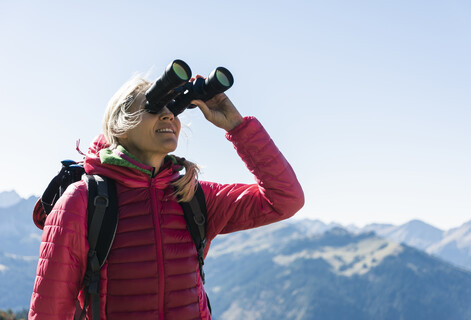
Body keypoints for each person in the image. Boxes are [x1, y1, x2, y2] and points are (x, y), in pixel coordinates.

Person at [29, 73, 304, 320]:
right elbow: (49, 310)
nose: (168, 116)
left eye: (173, 108)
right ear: (121, 125)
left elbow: (285, 199)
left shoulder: (192, 195)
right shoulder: (83, 201)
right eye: (153, 107)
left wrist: (237, 126)